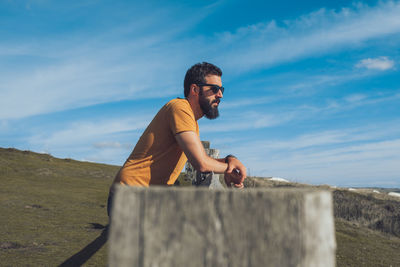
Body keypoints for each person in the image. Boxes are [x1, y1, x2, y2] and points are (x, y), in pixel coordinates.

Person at [107, 62, 247, 216]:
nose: (220, 95)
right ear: (195, 89)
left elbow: (202, 158)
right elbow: (201, 163)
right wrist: (229, 168)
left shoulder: (190, 120)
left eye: (221, 90)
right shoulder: (180, 108)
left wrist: (229, 160)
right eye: (214, 89)